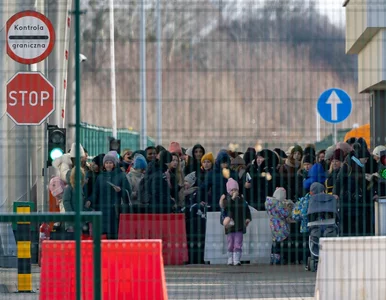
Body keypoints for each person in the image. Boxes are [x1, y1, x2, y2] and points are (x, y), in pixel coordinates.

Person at [219, 178, 251, 266]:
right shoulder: (226, 200)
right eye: (232, 190)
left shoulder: (241, 200)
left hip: (239, 225)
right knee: (230, 243)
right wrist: (232, 199)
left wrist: (247, 218)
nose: (234, 191)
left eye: (236, 189)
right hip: (230, 226)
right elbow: (226, 208)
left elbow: (246, 209)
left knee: (238, 242)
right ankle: (230, 258)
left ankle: (237, 259)